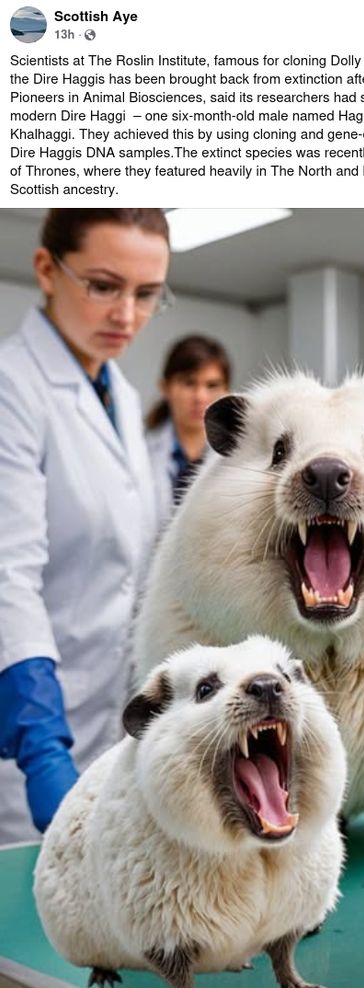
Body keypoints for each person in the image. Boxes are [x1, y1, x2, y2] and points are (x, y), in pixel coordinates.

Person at [0, 208, 172, 844]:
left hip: (109, 727)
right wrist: (41, 744)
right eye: (103, 285)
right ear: (47, 269)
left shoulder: (122, 398)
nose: (126, 314)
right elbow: (6, 574)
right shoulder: (11, 386)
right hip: (25, 741)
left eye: (147, 293)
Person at [145, 335, 231, 525]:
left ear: (226, 391)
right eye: (188, 383)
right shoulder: (140, 453)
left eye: (212, 385)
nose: (200, 396)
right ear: (165, 387)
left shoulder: (238, 458)